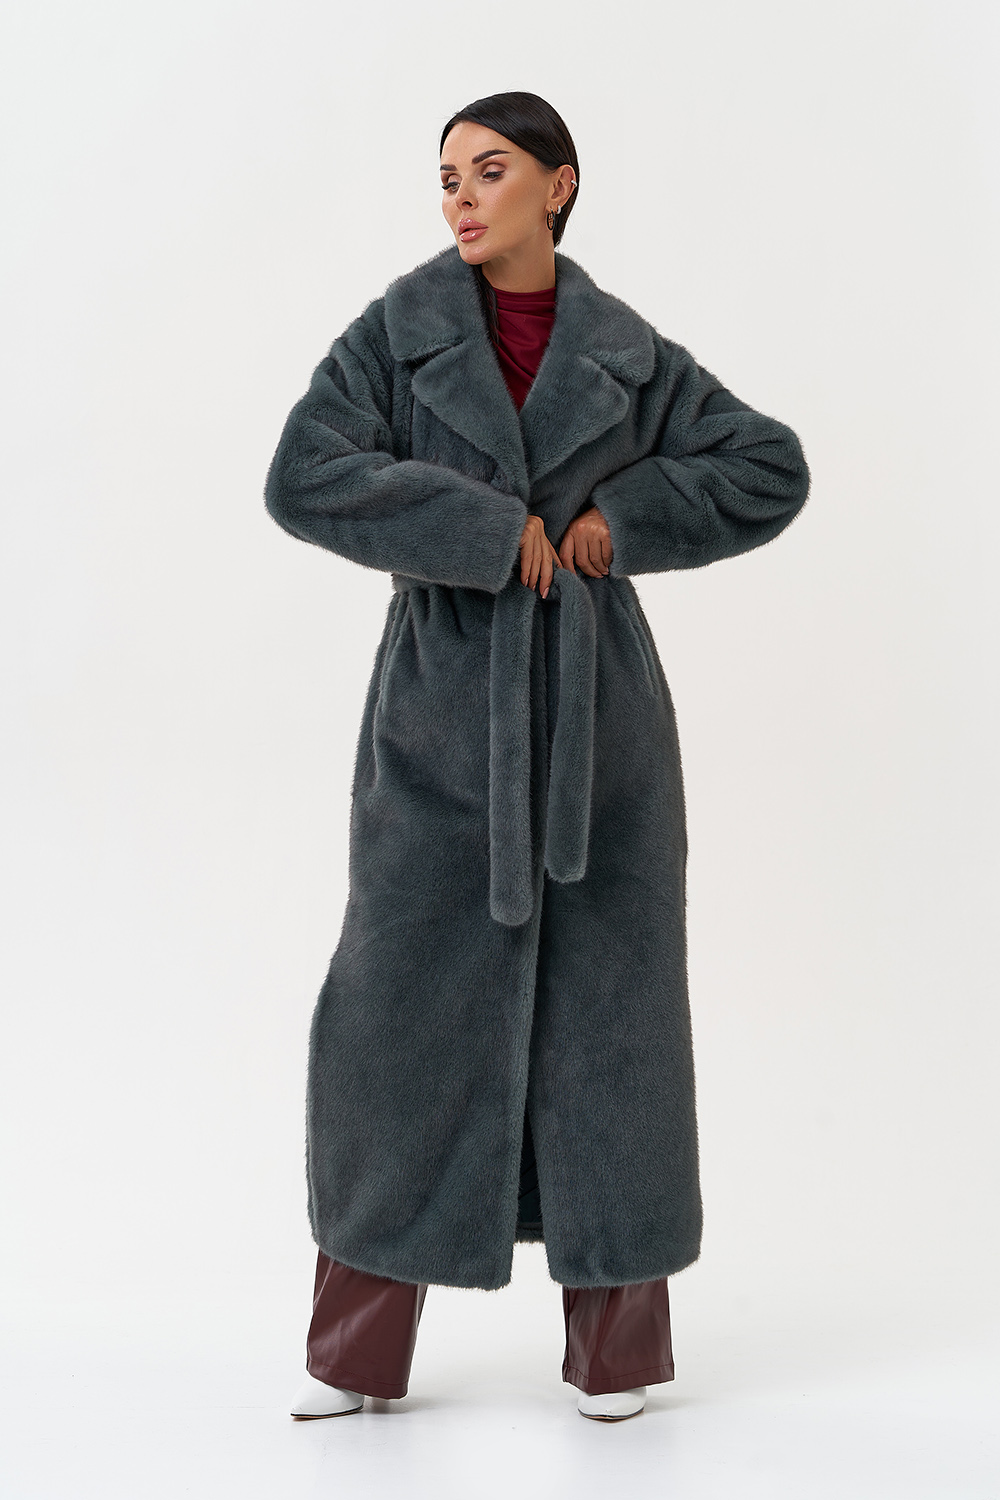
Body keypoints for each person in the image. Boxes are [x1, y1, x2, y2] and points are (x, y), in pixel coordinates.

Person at [264, 91, 810, 1423]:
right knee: (393, 1019)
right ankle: (355, 1358)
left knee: (612, 1026)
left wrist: (626, 514)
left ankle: (615, 1357)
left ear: (558, 184)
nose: (460, 196)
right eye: (447, 175)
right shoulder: (395, 335)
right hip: (438, 723)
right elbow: (303, 474)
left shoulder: (627, 352)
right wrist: (474, 528)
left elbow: (768, 465)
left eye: (490, 170)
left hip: (601, 736)